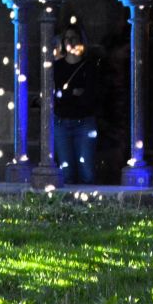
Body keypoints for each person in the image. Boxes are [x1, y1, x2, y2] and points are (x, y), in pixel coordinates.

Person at [52, 24, 104, 185]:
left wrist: (66, 94)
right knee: (66, 172)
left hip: (84, 123)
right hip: (61, 123)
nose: (70, 41)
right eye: (67, 38)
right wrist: (73, 92)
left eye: (74, 38)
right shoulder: (57, 67)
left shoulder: (89, 67)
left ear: (81, 41)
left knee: (86, 171)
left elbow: (89, 96)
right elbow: (55, 95)